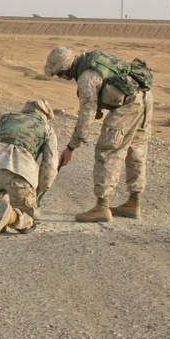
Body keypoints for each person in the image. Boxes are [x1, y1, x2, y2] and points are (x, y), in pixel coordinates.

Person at [44, 46, 154, 223]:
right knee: (136, 151)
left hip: (129, 104)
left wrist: (71, 147)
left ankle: (101, 207)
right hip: (145, 98)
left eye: (59, 74)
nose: (62, 78)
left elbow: (86, 116)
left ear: (65, 68)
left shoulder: (86, 78)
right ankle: (134, 202)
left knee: (107, 150)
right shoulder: (92, 58)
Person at [0, 100, 59, 239]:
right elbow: (50, 165)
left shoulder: (5, 118)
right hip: (19, 174)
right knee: (29, 220)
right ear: (45, 115)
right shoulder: (46, 128)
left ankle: (0, 215)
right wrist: (39, 189)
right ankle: (11, 217)